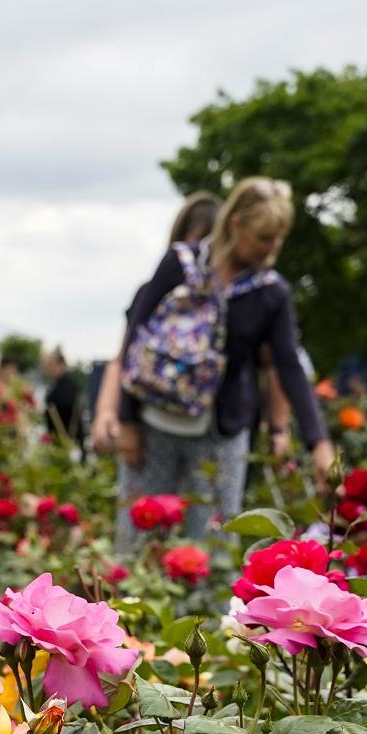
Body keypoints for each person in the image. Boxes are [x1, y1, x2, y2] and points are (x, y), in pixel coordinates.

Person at [104, 177, 333, 541]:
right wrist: (127, 420)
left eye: (279, 238)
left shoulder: (271, 293)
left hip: (220, 433)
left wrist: (318, 443)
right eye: (263, 237)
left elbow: (288, 366)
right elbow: (136, 339)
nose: (272, 248)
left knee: (214, 543)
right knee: (137, 540)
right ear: (235, 223)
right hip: (153, 422)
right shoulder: (179, 263)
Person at [93, 192, 227, 535]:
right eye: (192, 241)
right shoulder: (153, 291)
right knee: (140, 527)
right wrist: (111, 414)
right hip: (148, 421)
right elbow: (124, 357)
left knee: (204, 533)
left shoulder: (230, 297)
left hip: (207, 430)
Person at [42, 348, 83, 456]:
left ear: (60, 364)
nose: (47, 369)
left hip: (66, 438)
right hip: (61, 438)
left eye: (50, 365)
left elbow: (65, 406)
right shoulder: (57, 383)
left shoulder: (67, 383)